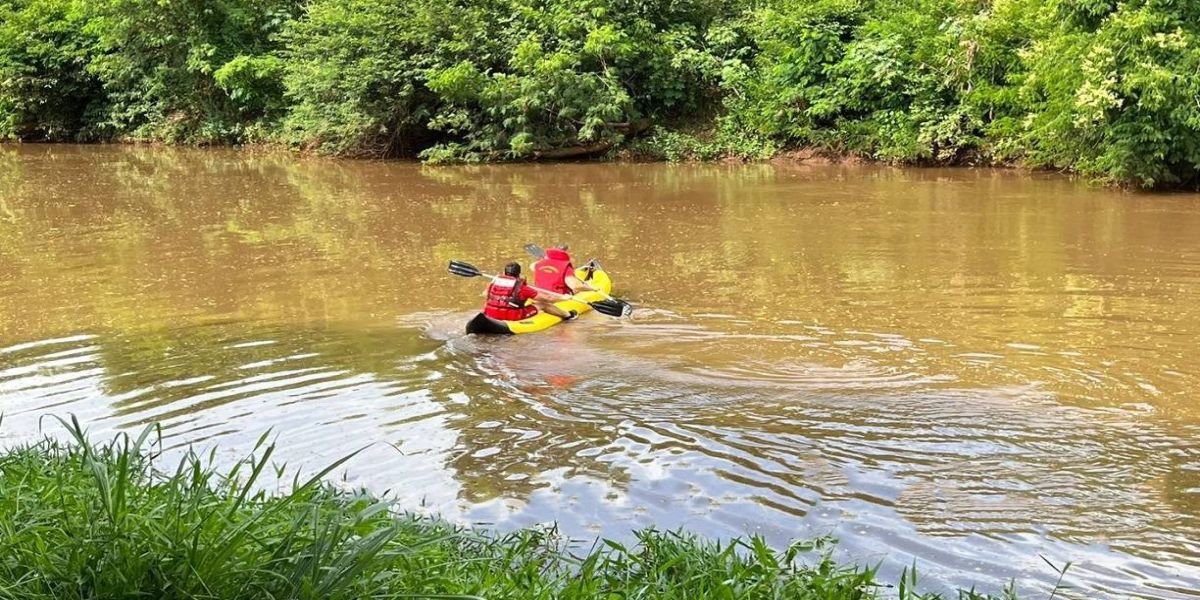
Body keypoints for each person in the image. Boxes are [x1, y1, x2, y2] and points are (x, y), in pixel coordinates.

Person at [483, 262, 577, 321]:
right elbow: (548, 298)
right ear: (519, 274)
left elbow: (485, 295)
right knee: (543, 304)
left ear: (504, 273)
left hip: (490, 313)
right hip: (513, 316)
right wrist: (563, 298)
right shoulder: (522, 288)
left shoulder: (493, 282)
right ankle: (568, 315)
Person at [532, 245, 599, 295]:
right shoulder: (566, 267)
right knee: (577, 290)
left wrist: (546, 261)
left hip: (540, 295)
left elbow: (532, 266)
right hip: (558, 297)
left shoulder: (537, 264)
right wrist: (592, 289)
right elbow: (576, 286)